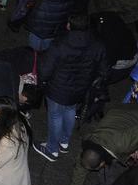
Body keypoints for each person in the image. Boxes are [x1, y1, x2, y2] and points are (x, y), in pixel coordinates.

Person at [35, 13, 107, 161]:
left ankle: (52, 149)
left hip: (57, 88)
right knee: (70, 110)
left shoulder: (60, 43)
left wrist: (42, 81)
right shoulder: (97, 43)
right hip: (80, 88)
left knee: (55, 115)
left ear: (69, 25)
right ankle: (64, 142)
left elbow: (46, 68)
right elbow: (104, 68)